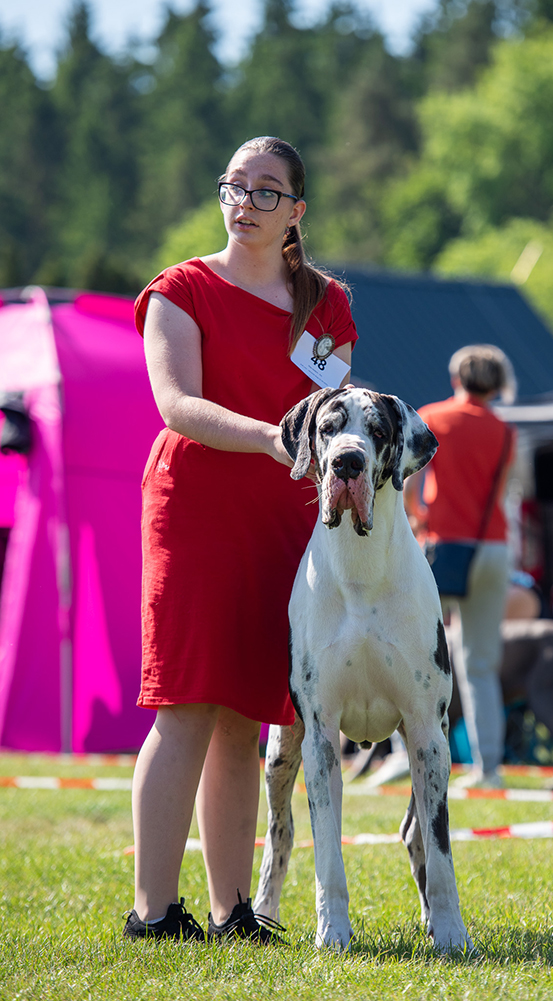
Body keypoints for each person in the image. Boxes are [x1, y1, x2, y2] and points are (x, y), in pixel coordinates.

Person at [123, 136, 357, 943]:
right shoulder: (180, 288)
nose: (245, 202)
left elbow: (333, 409)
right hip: (194, 507)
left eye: (266, 191)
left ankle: (231, 913)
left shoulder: (327, 303)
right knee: (186, 704)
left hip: (284, 517)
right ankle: (153, 912)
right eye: (234, 186)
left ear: (296, 210)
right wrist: (268, 436)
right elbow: (176, 404)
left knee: (245, 716)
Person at [405, 345, 516, 790]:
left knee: (411, 651)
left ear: (456, 378)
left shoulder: (433, 416)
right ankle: (488, 768)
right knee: (480, 662)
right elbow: (502, 491)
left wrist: (417, 517)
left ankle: (405, 756)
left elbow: (409, 481)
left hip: (443, 545)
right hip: (493, 547)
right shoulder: (505, 431)